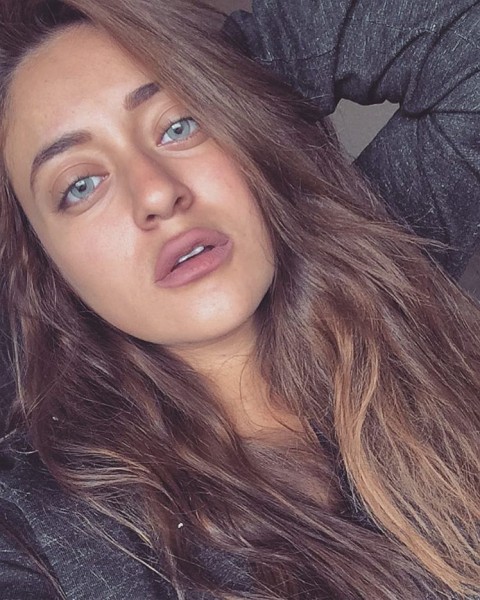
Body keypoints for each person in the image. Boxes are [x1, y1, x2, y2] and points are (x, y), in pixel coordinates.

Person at [0, 0, 478, 599]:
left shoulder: (381, 265)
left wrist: (227, 68)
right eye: (80, 185)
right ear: (45, 265)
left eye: (179, 125)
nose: (157, 193)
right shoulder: (37, 537)